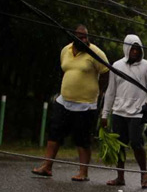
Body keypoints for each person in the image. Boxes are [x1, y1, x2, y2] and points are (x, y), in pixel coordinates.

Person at [32, 24, 109, 181]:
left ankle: (83, 172)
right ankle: (47, 166)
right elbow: (65, 70)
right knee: (54, 133)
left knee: (82, 138)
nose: (84, 39)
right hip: (64, 101)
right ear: (73, 38)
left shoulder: (95, 52)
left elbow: (106, 73)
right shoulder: (65, 51)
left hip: (86, 104)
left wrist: (100, 92)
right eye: (80, 37)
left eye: (86, 36)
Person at [100, 34, 147, 189]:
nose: (135, 52)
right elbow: (111, 91)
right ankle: (120, 176)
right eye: (132, 48)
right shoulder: (117, 66)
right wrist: (105, 114)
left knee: (136, 142)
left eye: (137, 49)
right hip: (119, 111)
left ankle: (144, 174)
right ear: (126, 48)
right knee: (119, 145)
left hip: (138, 112)